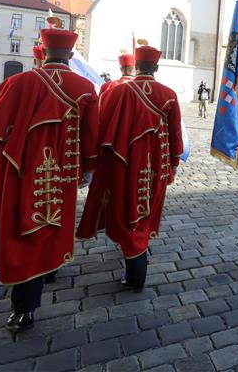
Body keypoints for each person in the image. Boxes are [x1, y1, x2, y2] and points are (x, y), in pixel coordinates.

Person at [0, 17, 99, 332]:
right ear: (70, 55)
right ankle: (49, 270)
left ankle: (23, 309)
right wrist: (89, 169)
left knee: (22, 233)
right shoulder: (85, 88)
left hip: (20, 173)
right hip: (63, 174)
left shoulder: (17, 83)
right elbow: (91, 137)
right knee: (54, 226)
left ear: (42, 51)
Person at [76, 44, 183, 291]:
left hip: (121, 162)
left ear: (137, 67)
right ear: (156, 67)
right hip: (156, 162)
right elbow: (175, 134)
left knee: (126, 210)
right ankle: (138, 263)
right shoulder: (168, 94)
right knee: (146, 209)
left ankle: (135, 271)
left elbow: (101, 127)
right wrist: (174, 164)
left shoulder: (117, 92)